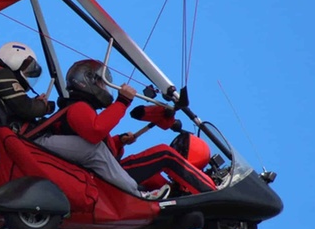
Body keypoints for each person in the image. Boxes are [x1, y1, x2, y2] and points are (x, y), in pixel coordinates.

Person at [34, 59, 215, 198]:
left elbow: (95, 145)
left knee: (156, 180)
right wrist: (123, 101)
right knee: (164, 154)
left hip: (104, 171)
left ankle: (178, 199)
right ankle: (210, 192)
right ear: (87, 81)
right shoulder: (77, 107)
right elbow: (95, 132)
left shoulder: (80, 110)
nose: (105, 88)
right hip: (106, 175)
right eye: (102, 83)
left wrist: (119, 141)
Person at [0, 42, 55, 126]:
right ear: (15, 59)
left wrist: (35, 101)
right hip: (14, 133)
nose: (26, 74)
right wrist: (43, 106)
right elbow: (24, 107)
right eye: (25, 67)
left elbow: (13, 105)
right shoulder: (2, 75)